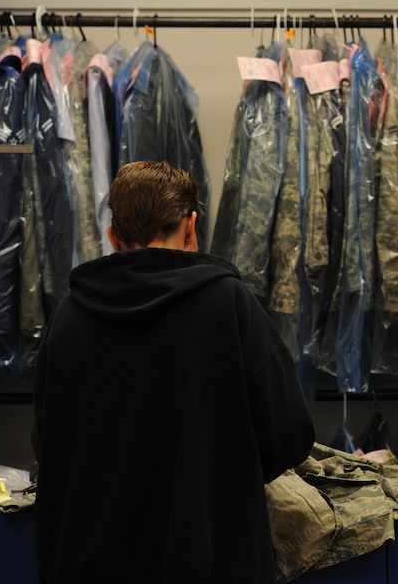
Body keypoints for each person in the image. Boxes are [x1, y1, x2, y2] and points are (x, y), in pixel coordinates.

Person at [31, 160, 316, 583]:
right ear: (191, 226)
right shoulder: (228, 304)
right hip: (213, 557)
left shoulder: (69, 318)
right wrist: (223, 471)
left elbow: (47, 444)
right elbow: (289, 433)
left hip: (92, 562)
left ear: (113, 237)